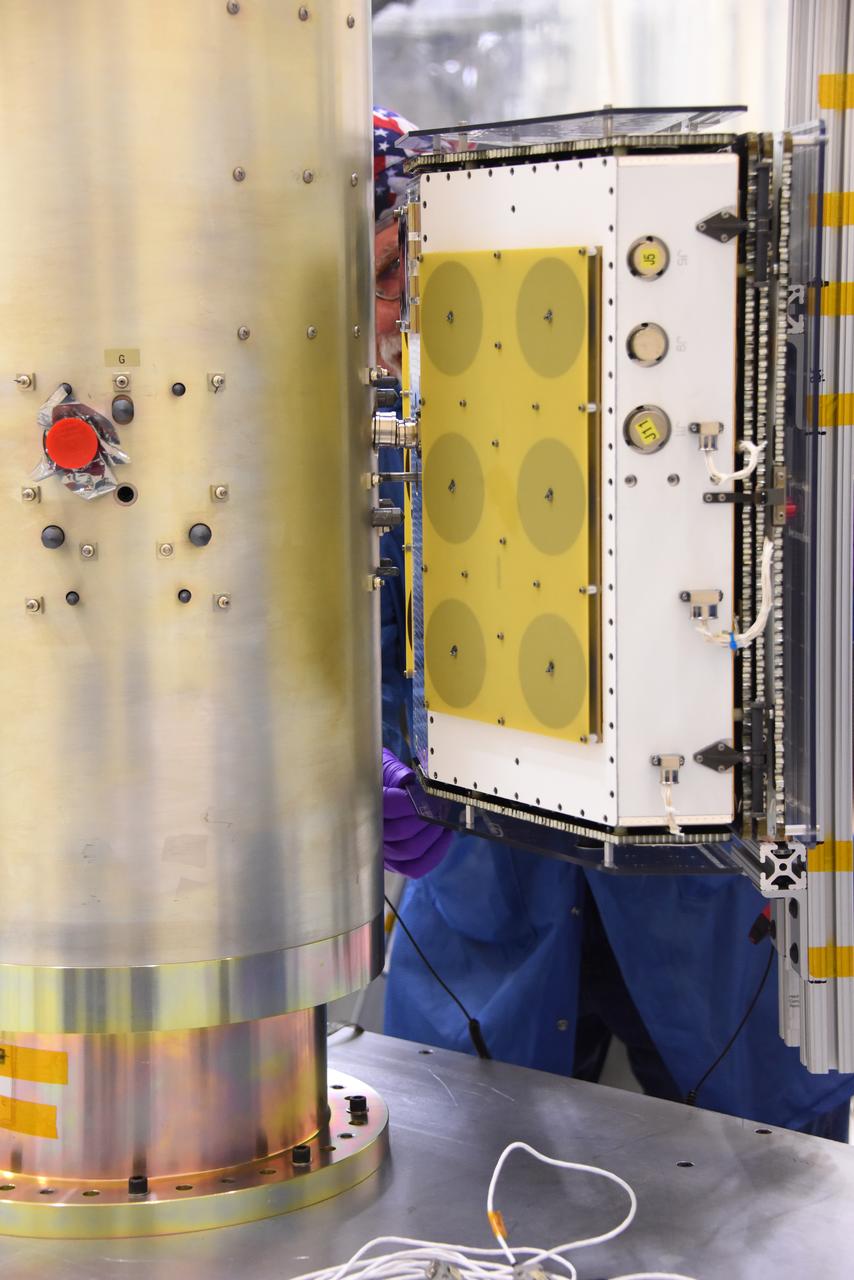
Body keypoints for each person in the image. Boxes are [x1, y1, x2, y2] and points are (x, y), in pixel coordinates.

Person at [372, 109, 854, 1141]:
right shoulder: (375, 436)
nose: (395, 308)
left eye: (398, 270)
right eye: (366, 287)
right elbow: (321, 665)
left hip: (707, 907)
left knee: (757, 1192)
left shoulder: (761, 406)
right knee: (463, 1183)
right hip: (480, 898)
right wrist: (348, 768)